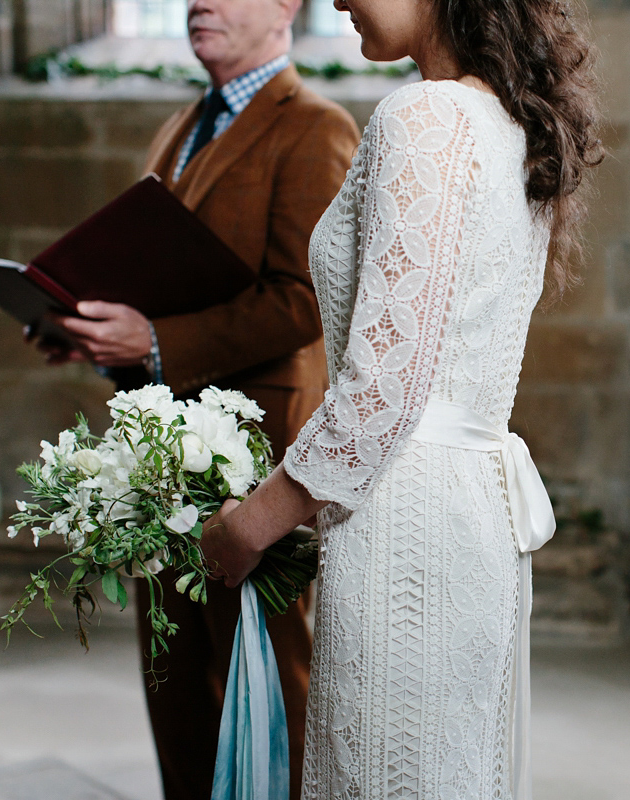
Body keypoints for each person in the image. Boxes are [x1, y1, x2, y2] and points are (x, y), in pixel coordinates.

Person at [200, 0, 603, 795]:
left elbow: (381, 392)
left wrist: (250, 524)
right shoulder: (510, 122)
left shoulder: (423, 115)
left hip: (407, 522)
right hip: (472, 514)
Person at [28, 0, 360, 796]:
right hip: (163, 454)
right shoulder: (181, 124)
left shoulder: (314, 126)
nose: (197, 2)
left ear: (286, 6)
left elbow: (304, 301)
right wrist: (90, 330)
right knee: (173, 677)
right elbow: (162, 280)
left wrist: (151, 341)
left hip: (256, 452)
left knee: (269, 677)